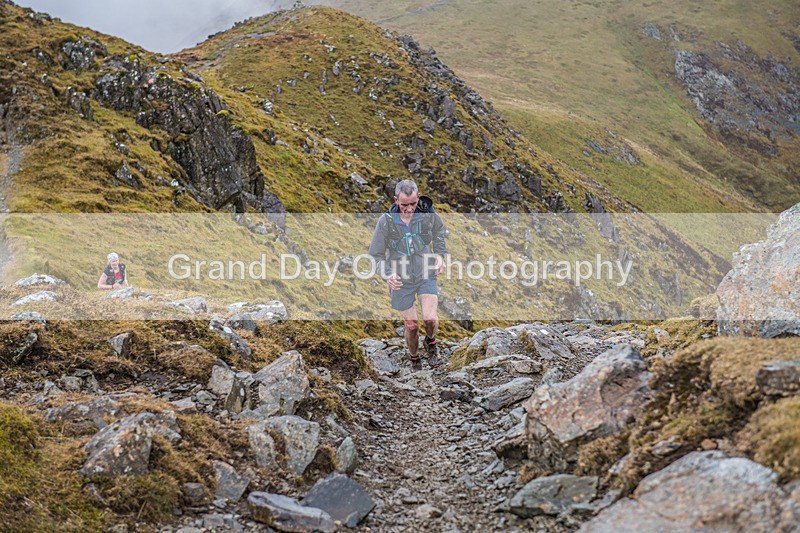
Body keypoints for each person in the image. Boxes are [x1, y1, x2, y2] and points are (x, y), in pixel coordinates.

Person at [369, 180, 447, 371]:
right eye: (404, 205)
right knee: (412, 326)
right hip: (400, 278)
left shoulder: (427, 213)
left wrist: (440, 255)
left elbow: (439, 230)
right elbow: (375, 255)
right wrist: (388, 274)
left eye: (413, 203)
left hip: (425, 272)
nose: (410, 209)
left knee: (430, 319)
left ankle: (431, 343)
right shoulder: (386, 222)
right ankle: (414, 358)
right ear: (396, 200)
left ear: (418, 198)